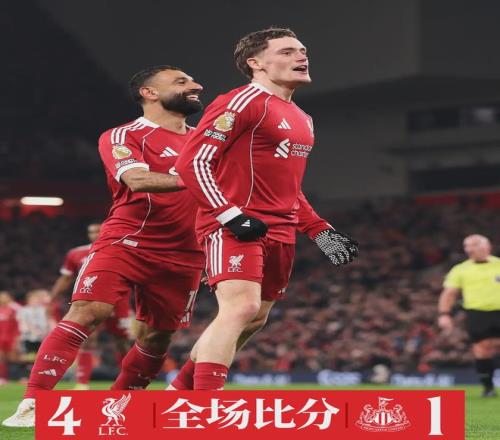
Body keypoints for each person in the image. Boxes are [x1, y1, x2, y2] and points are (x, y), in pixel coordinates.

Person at [3, 65, 205, 427]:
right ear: (149, 92)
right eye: (181, 81)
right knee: (87, 312)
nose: (196, 85)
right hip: (127, 241)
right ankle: (34, 404)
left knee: (158, 337)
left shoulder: (206, 142)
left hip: (186, 252)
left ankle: (120, 407)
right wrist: (198, 176)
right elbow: (136, 178)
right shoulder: (122, 135)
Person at [170, 27, 358, 391]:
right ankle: (205, 409)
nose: (301, 56)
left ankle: (175, 394)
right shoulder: (241, 101)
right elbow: (192, 163)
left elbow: (290, 189)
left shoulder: (303, 119)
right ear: (255, 63)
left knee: (254, 318)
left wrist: (320, 230)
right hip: (233, 224)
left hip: (280, 230)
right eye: (287, 51)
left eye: (302, 50)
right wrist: (230, 215)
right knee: (240, 308)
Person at [49, 223, 132, 390]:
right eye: (91, 232)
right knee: (87, 339)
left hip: (118, 302)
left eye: (97, 231)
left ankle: (128, 380)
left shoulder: (123, 249)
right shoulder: (76, 253)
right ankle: (82, 382)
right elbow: (66, 278)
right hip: (90, 299)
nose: (94, 234)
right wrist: (52, 298)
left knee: (121, 342)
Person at [438, 234, 500, 397]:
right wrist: (444, 314)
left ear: (487, 246)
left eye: (474, 244)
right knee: (482, 349)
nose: (470, 249)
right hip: (477, 313)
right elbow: (449, 293)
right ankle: (488, 388)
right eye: (467, 245)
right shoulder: (460, 269)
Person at [0, 291, 20, 385]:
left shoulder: (14, 309)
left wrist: (17, 337)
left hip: (11, 337)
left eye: (5, 296)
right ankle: (3, 378)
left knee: (13, 358)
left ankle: (17, 377)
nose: (2, 298)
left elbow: (18, 324)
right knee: (1, 358)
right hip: (1, 337)